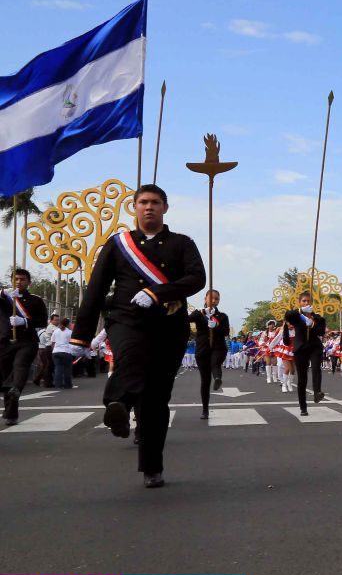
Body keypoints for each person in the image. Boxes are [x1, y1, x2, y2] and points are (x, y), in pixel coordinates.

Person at [69, 184, 205, 488]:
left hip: (169, 326)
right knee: (130, 358)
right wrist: (80, 336)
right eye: (143, 202)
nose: (149, 207)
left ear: (165, 208)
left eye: (155, 202)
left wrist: (158, 292)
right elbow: (96, 290)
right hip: (126, 320)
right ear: (134, 207)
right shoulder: (118, 244)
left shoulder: (182, 243)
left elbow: (197, 278)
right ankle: (117, 403)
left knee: (157, 399)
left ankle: (152, 467)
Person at [1, 268, 50, 425]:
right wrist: (5, 294)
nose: (18, 282)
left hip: (27, 341)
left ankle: (17, 388)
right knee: (6, 377)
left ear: (29, 282)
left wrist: (25, 322)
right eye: (15, 279)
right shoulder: (4, 298)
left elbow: (43, 321)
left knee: (20, 365)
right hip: (5, 342)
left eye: (22, 279)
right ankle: (11, 413)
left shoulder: (36, 300)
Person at [187, 289, 230, 419]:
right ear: (205, 299)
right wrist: (202, 313)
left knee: (215, 363)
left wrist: (216, 326)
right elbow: (188, 319)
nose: (213, 301)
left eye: (216, 299)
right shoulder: (199, 314)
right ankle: (205, 409)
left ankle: (217, 379)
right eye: (211, 298)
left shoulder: (222, 316)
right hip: (202, 349)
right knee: (205, 381)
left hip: (218, 347)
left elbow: (225, 331)